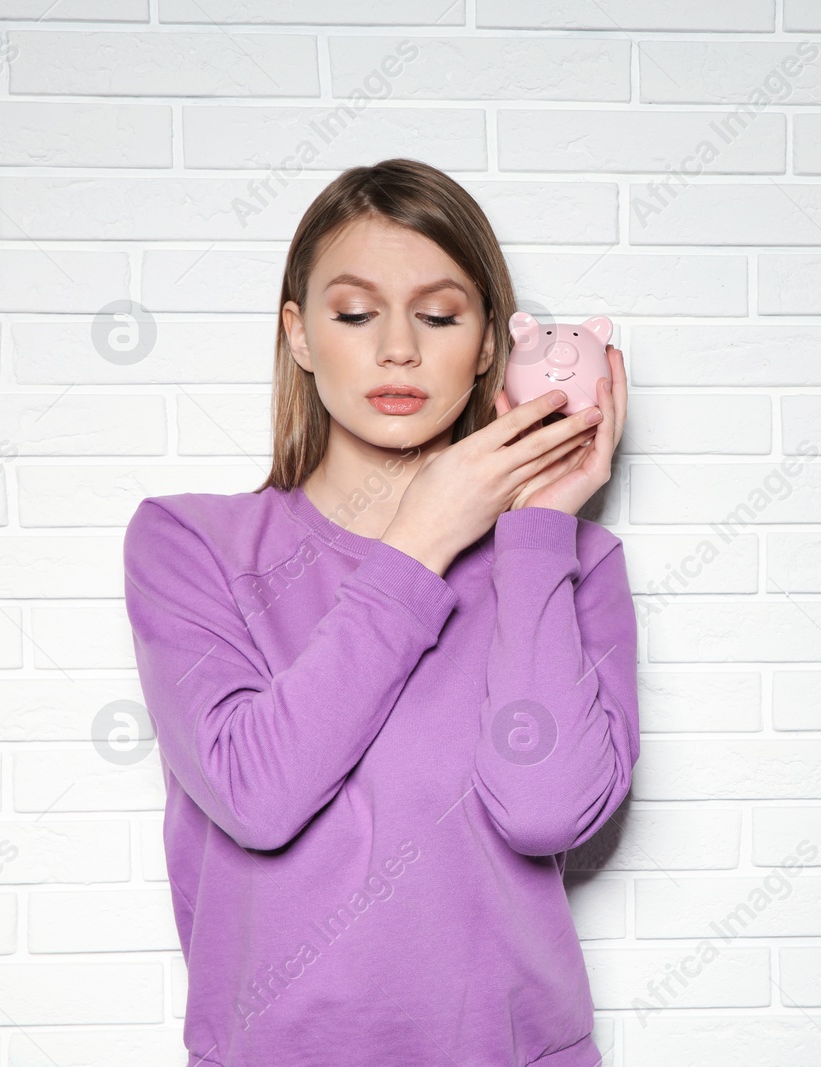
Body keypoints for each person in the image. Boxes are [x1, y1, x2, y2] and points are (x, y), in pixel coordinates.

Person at [122, 158, 637, 1066]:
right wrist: (421, 539)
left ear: (487, 345)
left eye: (439, 315)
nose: (398, 347)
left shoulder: (567, 563)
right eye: (355, 313)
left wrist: (534, 537)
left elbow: (545, 812)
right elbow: (257, 795)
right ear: (300, 335)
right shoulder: (187, 544)